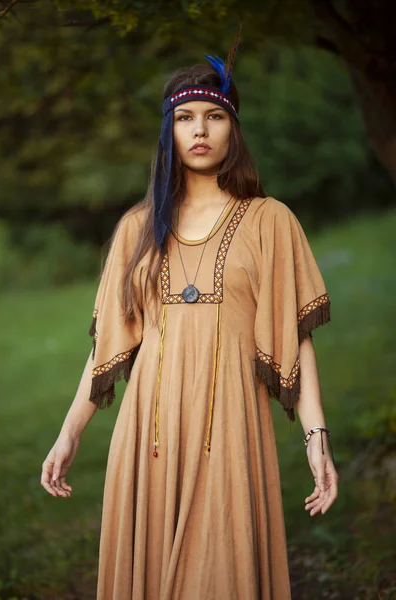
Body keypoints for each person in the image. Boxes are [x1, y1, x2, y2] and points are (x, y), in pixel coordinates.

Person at [41, 33, 338, 600]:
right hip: (148, 434)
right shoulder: (137, 229)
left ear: (233, 129)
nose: (199, 130)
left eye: (213, 117)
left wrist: (315, 438)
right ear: (169, 132)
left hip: (231, 425)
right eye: (185, 118)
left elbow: (293, 340)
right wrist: (68, 434)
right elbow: (108, 347)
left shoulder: (270, 221)